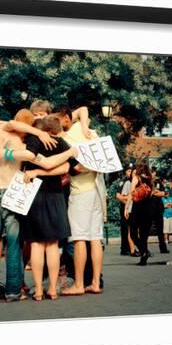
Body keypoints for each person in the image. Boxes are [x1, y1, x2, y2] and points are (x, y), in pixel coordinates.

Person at [0, 109, 78, 303]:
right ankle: (14, 291)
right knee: (15, 244)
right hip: (18, 194)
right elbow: (56, 165)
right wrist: (48, 139)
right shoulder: (25, 143)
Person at [18, 116, 77, 300]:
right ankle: (52, 288)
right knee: (52, 245)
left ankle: (38, 290)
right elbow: (65, 168)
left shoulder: (33, 140)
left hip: (35, 195)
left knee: (36, 243)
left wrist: (36, 172)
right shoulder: (62, 143)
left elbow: (32, 160)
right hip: (56, 195)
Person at [58, 106, 106, 295]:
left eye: (57, 119)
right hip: (97, 189)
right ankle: (95, 283)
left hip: (80, 192)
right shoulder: (82, 129)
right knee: (95, 238)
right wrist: (85, 126)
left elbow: (76, 169)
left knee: (79, 238)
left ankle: (78, 284)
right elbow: (83, 109)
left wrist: (80, 167)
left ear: (65, 118)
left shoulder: (65, 138)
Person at [124, 163, 154, 266]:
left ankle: (144, 252)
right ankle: (143, 257)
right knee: (144, 235)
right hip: (149, 209)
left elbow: (131, 194)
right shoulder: (150, 179)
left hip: (138, 209)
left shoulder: (136, 177)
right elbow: (151, 193)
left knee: (133, 233)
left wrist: (126, 207)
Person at [116, 165, 136, 256]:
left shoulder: (134, 181)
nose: (130, 173)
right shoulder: (123, 182)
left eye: (131, 171)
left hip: (131, 208)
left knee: (131, 229)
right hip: (125, 208)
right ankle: (124, 249)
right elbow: (118, 196)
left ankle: (130, 248)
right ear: (125, 172)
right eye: (128, 171)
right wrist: (128, 203)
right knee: (125, 229)